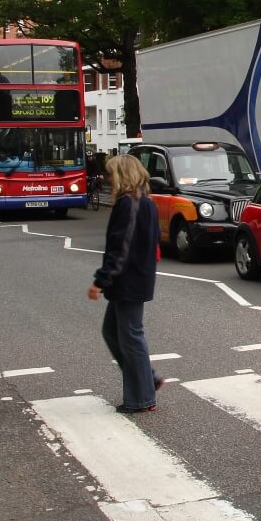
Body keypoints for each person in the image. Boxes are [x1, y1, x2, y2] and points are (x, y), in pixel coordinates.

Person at [88, 154, 164, 413]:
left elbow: (120, 248)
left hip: (129, 281)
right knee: (112, 332)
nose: (108, 179)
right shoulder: (147, 202)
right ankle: (147, 379)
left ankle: (142, 397)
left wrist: (101, 280)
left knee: (131, 337)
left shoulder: (129, 204)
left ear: (122, 174)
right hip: (136, 278)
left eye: (111, 173)